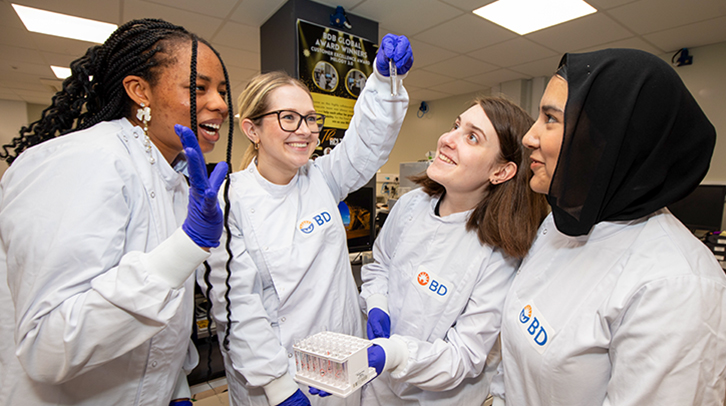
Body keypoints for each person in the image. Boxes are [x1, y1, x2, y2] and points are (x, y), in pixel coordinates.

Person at [0, 19, 233, 405]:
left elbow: (160, 321)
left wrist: (175, 385)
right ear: (140, 91)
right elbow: (48, 345)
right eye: (198, 88)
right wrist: (185, 247)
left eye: (222, 91)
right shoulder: (83, 161)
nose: (221, 104)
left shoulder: (174, 178)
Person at [497, 48, 726, 405]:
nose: (528, 137)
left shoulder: (679, 288)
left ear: (607, 141)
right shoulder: (560, 224)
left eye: (550, 118)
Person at [200, 34, 413, 406]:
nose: (305, 130)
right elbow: (236, 306)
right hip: (278, 374)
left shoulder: (320, 178)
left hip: (343, 361)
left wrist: (383, 81)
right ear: (251, 129)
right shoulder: (229, 200)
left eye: (311, 118)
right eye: (288, 117)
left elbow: (366, 144)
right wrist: (277, 386)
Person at [358, 96, 549, 405]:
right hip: (378, 389)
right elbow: (381, 264)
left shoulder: (500, 253)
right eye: (456, 126)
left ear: (501, 172)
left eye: (472, 137)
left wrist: (396, 354)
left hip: (436, 398)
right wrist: (377, 302)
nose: (447, 139)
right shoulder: (410, 205)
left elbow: (464, 355)